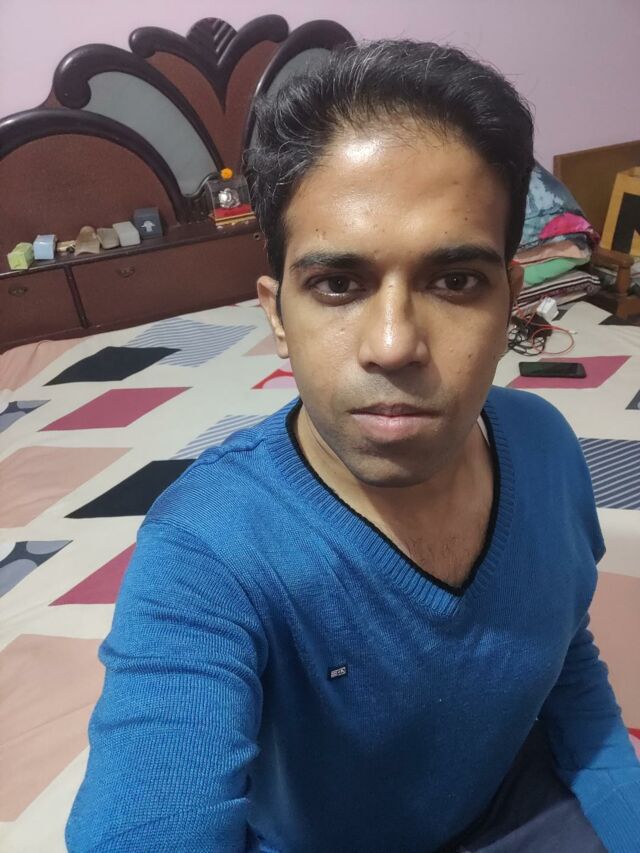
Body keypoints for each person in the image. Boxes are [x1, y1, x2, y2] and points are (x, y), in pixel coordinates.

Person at [66, 40, 640, 852]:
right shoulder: (206, 552)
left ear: (511, 299)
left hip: (518, 802)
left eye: (455, 281)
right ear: (276, 313)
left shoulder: (545, 448)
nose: (394, 345)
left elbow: (566, 658)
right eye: (338, 284)